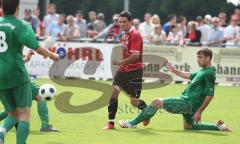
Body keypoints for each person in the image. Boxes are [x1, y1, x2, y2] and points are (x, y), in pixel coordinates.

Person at [119, 48, 232, 133]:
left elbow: (210, 95)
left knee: (156, 102)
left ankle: (132, 123)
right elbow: (188, 75)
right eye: (197, 57)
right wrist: (174, 70)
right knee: (189, 127)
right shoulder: (203, 71)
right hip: (190, 105)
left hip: (188, 103)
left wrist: (200, 111)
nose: (198, 60)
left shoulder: (209, 73)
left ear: (208, 58)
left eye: (200, 57)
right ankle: (218, 127)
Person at [0, 0, 59, 143]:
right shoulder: (21, 25)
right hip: (17, 75)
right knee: (24, 112)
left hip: (1, 77)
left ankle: (1, 134)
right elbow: (37, 47)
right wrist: (52, 55)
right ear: (17, 8)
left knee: (12, 113)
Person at [103, 11, 148, 130]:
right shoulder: (123, 35)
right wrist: (121, 64)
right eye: (120, 21)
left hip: (134, 72)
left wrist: (121, 62)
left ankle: (147, 111)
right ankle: (111, 123)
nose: (121, 24)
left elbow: (135, 56)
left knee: (133, 101)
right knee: (114, 91)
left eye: (124, 22)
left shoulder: (135, 34)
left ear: (130, 22)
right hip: (122, 70)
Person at [0, 50, 58, 132]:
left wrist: (26, 59)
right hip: (18, 80)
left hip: (7, 81)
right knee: (40, 96)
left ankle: (45, 125)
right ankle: (45, 125)